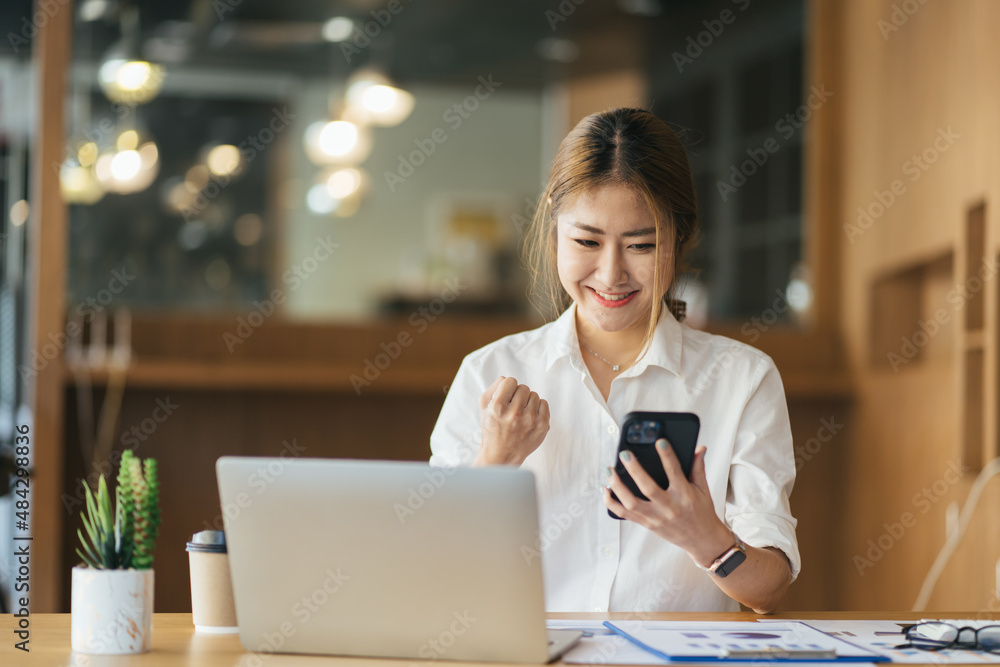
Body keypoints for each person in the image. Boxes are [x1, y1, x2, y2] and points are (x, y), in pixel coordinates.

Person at [429, 107, 799, 614]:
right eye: (586, 241)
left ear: (680, 238)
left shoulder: (743, 379)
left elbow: (769, 591)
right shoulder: (488, 372)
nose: (611, 273)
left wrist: (705, 538)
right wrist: (495, 464)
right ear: (553, 226)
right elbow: (435, 569)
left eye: (642, 245)